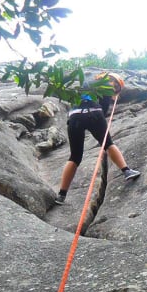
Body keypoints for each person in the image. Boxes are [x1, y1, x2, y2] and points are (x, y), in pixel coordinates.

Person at [54, 72, 141, 205]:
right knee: (108, 144)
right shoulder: (105, 85)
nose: (114, 88)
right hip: (95, 114)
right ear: (110, 80)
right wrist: (111, 97)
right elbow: (104, 109)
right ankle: (127, 171)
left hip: (75, 117)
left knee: (75, 156)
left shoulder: (85, 83)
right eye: (116, 85)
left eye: (116, 87)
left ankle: (61, 195)